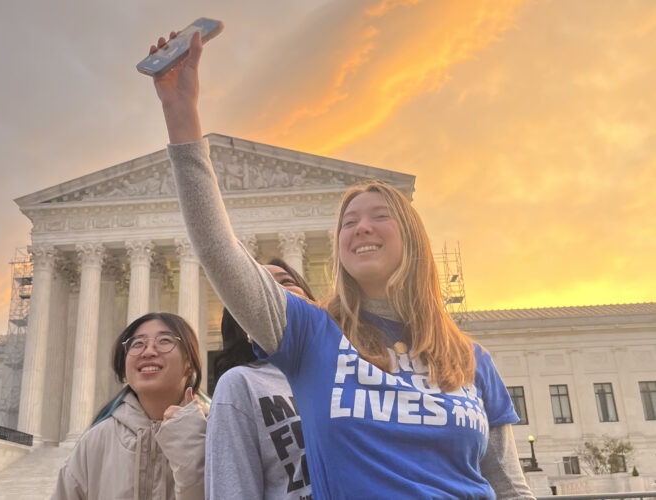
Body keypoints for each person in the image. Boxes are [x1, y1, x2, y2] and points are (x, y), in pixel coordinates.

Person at [151, 31, 533, 499]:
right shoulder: (314, 338)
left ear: (413, 238)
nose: (361, 228)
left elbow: (509, 485)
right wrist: (180, 112)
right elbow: (219, 251)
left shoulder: (470, 359)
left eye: (379, 216)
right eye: (348, 222)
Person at [53, 312, 208, 500]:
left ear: (189, 363)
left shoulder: (215, 433)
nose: (149, 351)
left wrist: (191, 454)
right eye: (138, 344)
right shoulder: (94, 442)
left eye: (165, 341)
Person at [206, 259, 315, 500]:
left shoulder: (348, 372)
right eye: (259, 286)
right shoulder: (240, 384)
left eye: (287, 282)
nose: (275, 290)